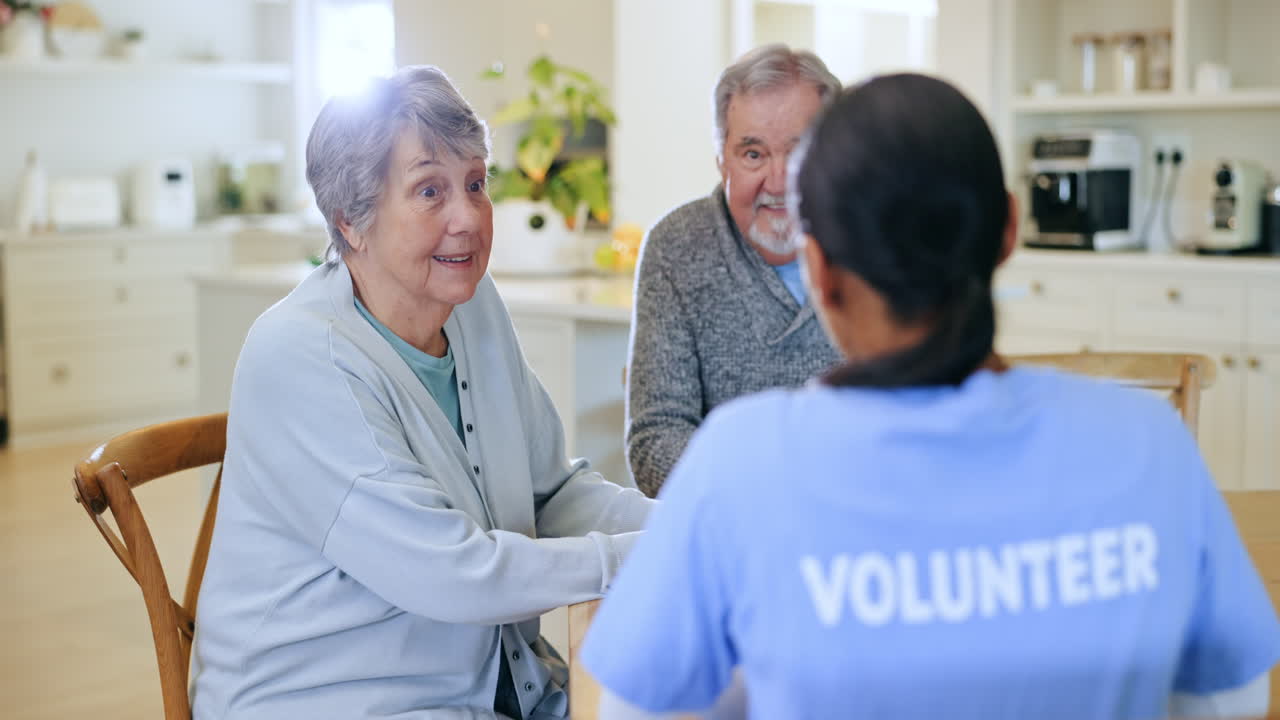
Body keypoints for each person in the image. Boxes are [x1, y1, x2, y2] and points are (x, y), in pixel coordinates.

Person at [582, 74, 1280, 719]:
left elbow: (636, 709)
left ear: (818, 267)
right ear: (1008, 231)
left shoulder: (737, 463)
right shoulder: (1148, 442)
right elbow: (1234, 697)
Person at [191, 66, 654, 720]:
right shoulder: (297, 355)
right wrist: (646, 556)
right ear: (350, 220)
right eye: (430, 190)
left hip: (500, 693)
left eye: (475, 183)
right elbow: (449, 574)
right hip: (336, 702)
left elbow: (550, 494)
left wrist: (688, 525)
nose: (468, 217)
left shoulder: (469, 306)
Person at [625, 44, 843, 496]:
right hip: (732, 530)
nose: (780, 182)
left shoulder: (875, 240)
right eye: (753, 154)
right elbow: (654, 442)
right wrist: (772, 490)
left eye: (800, 151)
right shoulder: (677, 247)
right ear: (721, 158)